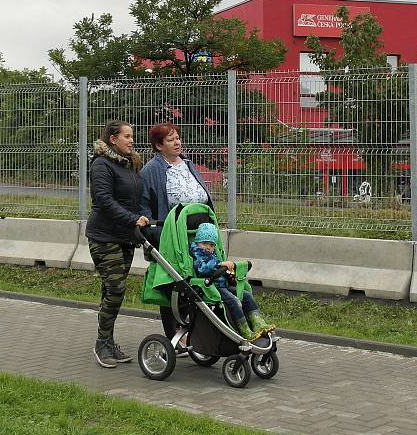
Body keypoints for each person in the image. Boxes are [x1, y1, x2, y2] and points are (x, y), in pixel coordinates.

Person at [140, 122, 214, 343]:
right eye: (171, 139)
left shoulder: (189, 165)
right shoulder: (151, 171)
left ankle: (196, 332)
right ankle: (175, 335)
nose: (177, 142)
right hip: (171, 236)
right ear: (158, 145)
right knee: (174, 285)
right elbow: (144, 206)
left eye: (178, 138)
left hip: (198, 235)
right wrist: (154, 234)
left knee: (198, 283)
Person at [86, 120, 149, 368]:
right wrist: (133, 219)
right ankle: (102, 343)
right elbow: (103, 200)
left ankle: (108, 340)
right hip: (104, 237)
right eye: (127, 136)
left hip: (124, 238)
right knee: (116, 288)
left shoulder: (129, 165)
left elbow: (134, 199)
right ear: (113, 139)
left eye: (132, 136)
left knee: (111, 290)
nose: (131, 140)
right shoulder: (102, 164)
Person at [190, 222, 275, 340]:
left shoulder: (212, 254)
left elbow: (220, 270)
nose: (208, 247)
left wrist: (229, 275)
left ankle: (258, 322)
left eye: (211, 245)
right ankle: (244, 329)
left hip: (221, 285)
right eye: (205, 243)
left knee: (246, 295)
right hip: (210, 287)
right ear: (198, 242)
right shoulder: (197, 254)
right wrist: (219, 264)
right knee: (232, 300)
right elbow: (202, 269)